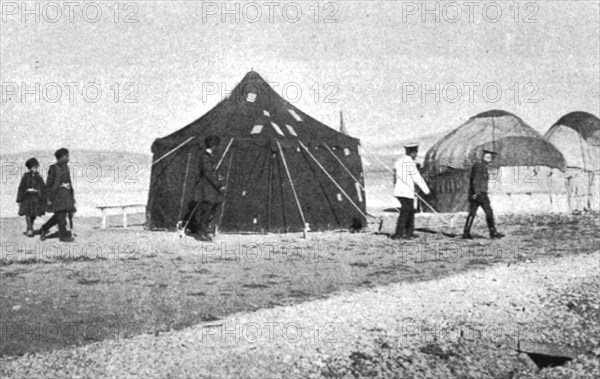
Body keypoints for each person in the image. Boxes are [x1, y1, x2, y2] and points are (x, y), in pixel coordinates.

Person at [462, 149, 505, 239]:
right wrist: (477, 193)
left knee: (472, 213)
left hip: (477, 193)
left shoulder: (482, 166)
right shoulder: (479, 166)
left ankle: (466, 233)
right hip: (480, 194)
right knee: (489, 212)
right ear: (483, 157)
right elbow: (476, 180)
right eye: (487, 157)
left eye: (490, 157)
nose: (489, 158)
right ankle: (493, 232)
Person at [392, 143, 430, 240]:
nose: (416, 155)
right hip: (406, 191)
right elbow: (417, 178)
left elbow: (394, 175)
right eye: (415, 152)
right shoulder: (409, 163)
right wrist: (426, 191)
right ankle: (398, 234)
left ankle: (409, 232)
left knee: (410, 211)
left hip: (400, 191)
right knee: (405, 212)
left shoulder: (399, 161)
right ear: (412, 152)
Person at [191, 136, 225, 241]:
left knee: (209, 210)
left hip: (209, 189)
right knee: (206, 211)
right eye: (216, 146)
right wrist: (219, 185)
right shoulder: (205, 157)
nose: (217, 148)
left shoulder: (207, 157)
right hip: (207, 190)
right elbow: (209, 174)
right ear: (213, 146)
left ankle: (205, 231)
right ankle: (202, 233)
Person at [40, 148, 76, 242]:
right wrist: (49, 197)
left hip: (66, 195)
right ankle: (63, 237)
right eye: (66, 156)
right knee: (61, 216)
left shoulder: (66, 167)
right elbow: (49, 184)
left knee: (59, 216)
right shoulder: (53, 168)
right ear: (60, 157)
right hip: (57, 196)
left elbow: (69, 182)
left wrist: (72, 196)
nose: (68, 158)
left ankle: (44, 228)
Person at [17, 158, 46, 237]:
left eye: (36, 167)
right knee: (28, 213)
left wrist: (43, 196)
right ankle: (29, 228)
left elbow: (43, 188)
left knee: (34, 214)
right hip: (27, 197)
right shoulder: (25, 176)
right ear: (29, 168)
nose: (35, 169)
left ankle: (30, 227)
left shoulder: (39, 176)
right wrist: (19, 199)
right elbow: (21, 187)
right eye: (33, 167)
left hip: (36, 198)